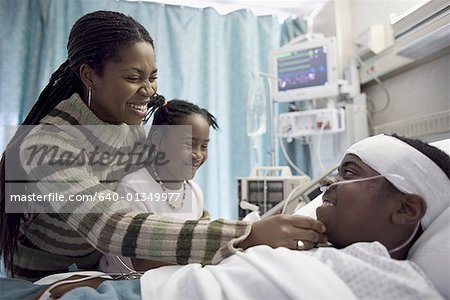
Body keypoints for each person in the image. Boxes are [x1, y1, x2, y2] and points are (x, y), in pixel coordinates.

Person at [0, 10, 325, 282]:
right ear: (89, 76)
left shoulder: (128, 128)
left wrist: (209, 223)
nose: (148, 90)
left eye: (152, 77)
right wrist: (246, 233)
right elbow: (110, 226)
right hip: (46, 278)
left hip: (99, 271)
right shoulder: (47, 143)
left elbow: (167, 187)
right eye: (133, 77)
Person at [24, 133, 450, 299]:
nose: (328, 187)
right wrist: (248, 233)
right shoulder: (48, 145)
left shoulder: (392, 282)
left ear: (406, 208)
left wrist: (246, 235)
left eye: (349, 175)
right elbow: (115, 231)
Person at [99, 98, 219, 273]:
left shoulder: (194, 192)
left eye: (204, 146)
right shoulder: (133, 189)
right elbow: (137, 262)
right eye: (189, 144)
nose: (198, 155)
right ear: (157, 139)